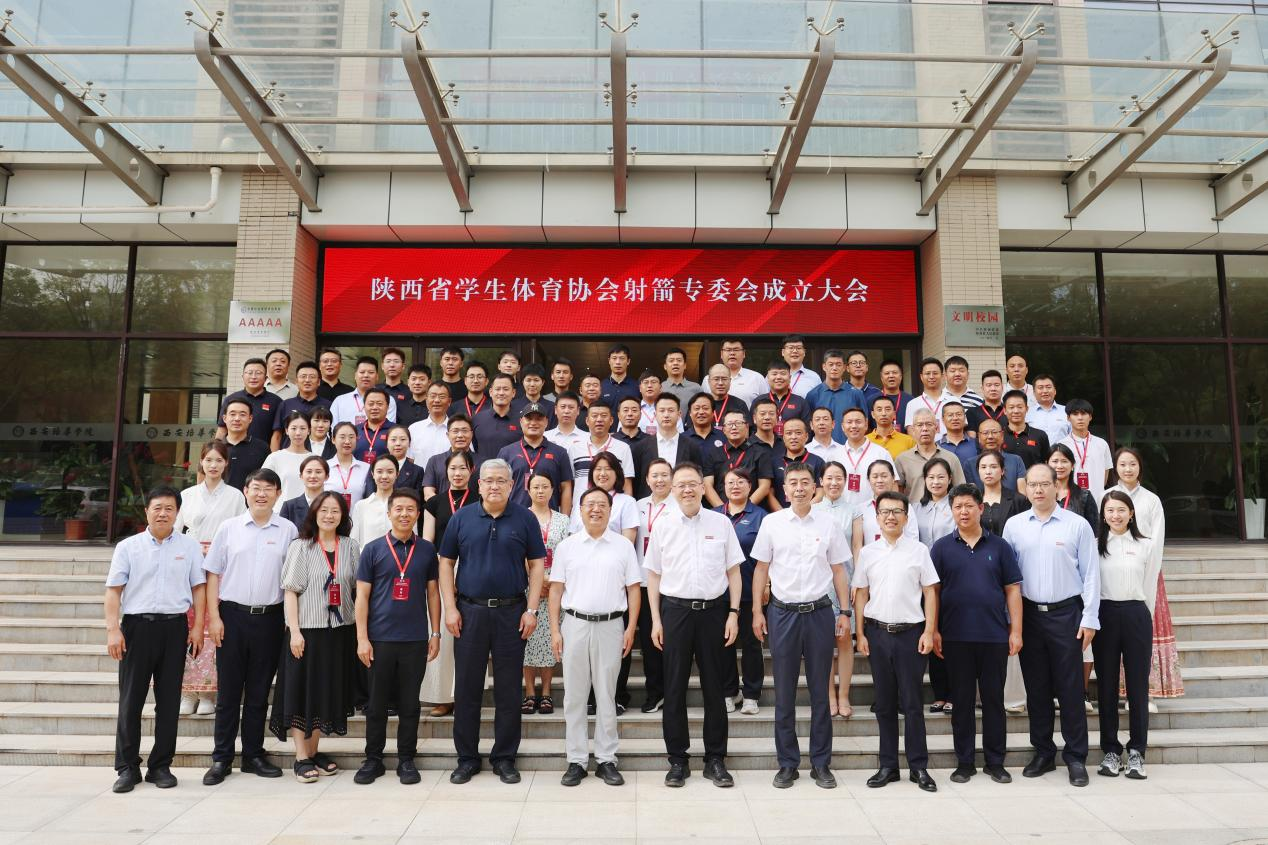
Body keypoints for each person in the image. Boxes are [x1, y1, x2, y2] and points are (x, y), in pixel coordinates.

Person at [439, 459, 548, 785]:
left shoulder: (525, 518)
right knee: (467, 688)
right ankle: (467, 758)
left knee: (509, 690)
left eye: (501, 480)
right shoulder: (461, 518)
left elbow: (537, 565)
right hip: (469, 612)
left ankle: (504, 758)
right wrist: (450, 608)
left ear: (512, 485)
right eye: (489, 480)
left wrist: (532, 610)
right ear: (479, 484)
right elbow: (446, 563)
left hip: (512, 613)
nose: (495, 486)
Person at [751, 463, 851, 789]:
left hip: (820, 612)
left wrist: (845, 611)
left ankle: (821, 763)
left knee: (821, 692)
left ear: (814, 487)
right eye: (792, 482)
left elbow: (839, 570)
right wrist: (757, 611)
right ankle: (787, 764)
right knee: (784, 693)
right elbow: (761, 569)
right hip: (783, 614)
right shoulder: (772, 523)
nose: (799, 488)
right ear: (784, 488)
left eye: (805, 482)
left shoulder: (829, 523)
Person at [645, 462, 744, 788]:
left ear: (703, 487)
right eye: (681, 485)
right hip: (675, 613)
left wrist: (733, 613)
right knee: (673, 688)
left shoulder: (721, 522)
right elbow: (654, 576)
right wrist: (656, 620)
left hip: (714, 613)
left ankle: (715, 759)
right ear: (673, 490)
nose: (687, 490)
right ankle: (678, 760)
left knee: (715, 688)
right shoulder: (663, 526)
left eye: (692, 484)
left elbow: (733, 572)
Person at [1002, 463, 1099, 787]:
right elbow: (1008, 579)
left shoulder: (1077, 525)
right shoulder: (1014, 527)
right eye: (1033, 484)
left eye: (1045, 483)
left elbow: (1091, 575)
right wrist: (1011, 621)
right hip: (1029, 615)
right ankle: (1043, 752)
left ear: (1057, 486)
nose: (1039, 490)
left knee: (1071, 689)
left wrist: (1090, 618)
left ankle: (1076, 757)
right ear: (1026, 488)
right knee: (1037, 688)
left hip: (1066, 614)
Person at [106, 486, 207, 793]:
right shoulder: (128, 547)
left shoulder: (189, 547)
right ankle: (127, 767)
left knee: (168, 702)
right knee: (131, 701)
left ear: (177, 513)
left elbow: (198, 588)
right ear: (146, 511)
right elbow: (114, 590)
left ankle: (160, 766)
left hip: (174, 629)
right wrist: (113, 629)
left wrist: (197, 627)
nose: (163, 513)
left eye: (169, 508)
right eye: (157, 508)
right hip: (136, 628)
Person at [201, 468, 299, 785]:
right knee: (229, 692)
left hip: (270, 619)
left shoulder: (288, 530)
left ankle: (253, 755)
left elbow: (292, 580)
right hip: (232, 616)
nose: (261, 494)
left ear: (278, 494)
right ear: (245, 491)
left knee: (258, 692)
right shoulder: (229, 528)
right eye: (256, 488)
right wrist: (214, 617)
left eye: (268, 489)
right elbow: (212, 574)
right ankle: (221, 758)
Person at [930, 483, 1022, 785]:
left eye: (969, 505)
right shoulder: (941, 548)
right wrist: (934, 630)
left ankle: (996, 762)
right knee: (962, 701)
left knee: (994, 700)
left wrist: (1016, 631)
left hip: (994, 636)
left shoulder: (1000, 547)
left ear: (981, 508)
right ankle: (965, 762)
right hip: (955, 637)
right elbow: (933, 593)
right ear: (951, 511)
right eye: (958, 507)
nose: (964, 511)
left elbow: (1012, 590)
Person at [550, 487, 642, 787]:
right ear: (580, 510)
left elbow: (633, 589)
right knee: (575, 696)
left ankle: (606, 759)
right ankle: (576, 760)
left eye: (602, 504)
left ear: (610, 510)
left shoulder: (623, 546)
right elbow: (556, 590)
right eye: (590, 504)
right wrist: (555, 630)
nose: (596, 509)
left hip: (611, 625)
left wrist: (630, 628)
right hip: (574, 625)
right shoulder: (567, 547)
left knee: (606, 694)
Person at [853, 490, 940, 793]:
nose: (891, 517)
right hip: (877, 634)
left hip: (911, 635)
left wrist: (929, 631)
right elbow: (861, 594)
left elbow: (930, 592)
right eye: (885, 512)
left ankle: (919, 767)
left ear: (906, 517)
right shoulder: (868, 553)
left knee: (913, 703)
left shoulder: (919, 551)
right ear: (877, 518)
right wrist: (860, 633)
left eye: (897, 511)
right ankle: (888, 765)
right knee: (885, 704)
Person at [268, 491, 359, 782]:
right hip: (307, 631)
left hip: (340, 632)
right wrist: (294, 631)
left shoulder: (350, 546)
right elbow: (290, 591)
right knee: (301, 692)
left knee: (323, 692)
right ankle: (301, 757)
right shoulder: (302, 546)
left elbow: (357, 588)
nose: (329, 516)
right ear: (314, 514)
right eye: (324, 510)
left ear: (343, 516)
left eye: (335, 511)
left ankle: (314, 750)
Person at [353, 489, 442, 784]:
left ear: (418, 514)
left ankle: (406, 759)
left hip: (414, 639)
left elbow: (433, 594)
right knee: (376, 704)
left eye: (410, 509)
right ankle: (373, 759)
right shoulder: (373, 549)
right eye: (399, 509)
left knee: (410, 703)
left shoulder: (427, 550)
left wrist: (435, 633)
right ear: (389, 513)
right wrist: (362, 638)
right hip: (379, 639)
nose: (404, 514)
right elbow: (362, 597)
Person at [173, 442, 246, 717]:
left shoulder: (236, 496)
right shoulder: (187, 495)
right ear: (201, 463)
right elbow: (176, 531)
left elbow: (240, 533)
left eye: (219, 460)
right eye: (208, 460)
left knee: (213, 628)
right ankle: (187, 691)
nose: (213, 465)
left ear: (226, 464)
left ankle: (208, 693)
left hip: (222, 567)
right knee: (189, 626)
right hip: (191, 565)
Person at [1092, 490, 1159, 780]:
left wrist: (1145, 616)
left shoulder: (1145, 545)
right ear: (1103, 515)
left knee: (1137, 687)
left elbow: (1150, 584)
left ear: (1131, 514)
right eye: (1110, 510)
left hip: (1136, 614)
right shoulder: (1095, 545)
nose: (1116, 515)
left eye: (1121, 510)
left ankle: (1137, 752)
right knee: (1106, 685)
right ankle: (1110, 750)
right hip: (1105, 614)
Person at [1107, 447, 1181, 704]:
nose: (1127, 469)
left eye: (1132, 464)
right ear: (1115, 467)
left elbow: (1157, 540)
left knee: (1143, 637)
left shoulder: (1151, 500)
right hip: (1112, 574)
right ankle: (1119, 691)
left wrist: (1151, 570)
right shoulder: (1106, 496)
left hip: (1145, 571)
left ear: (1140, 467)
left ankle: (1142, 694)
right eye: (1122, 464)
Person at [419, 450, 477, 718]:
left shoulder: (480, 499)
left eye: (463, 468)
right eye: (453, 468)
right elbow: (427, 541)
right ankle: (443, 696)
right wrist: (439, 573)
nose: (457, 473)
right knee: (443, 630)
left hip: (474, 568)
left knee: (471, 635)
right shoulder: (434, 503)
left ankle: (466, 695)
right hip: (442, 566)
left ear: (471, 471)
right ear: (446, 471)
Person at [714, 468, 767, 715]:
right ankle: (729, 692)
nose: (735, 486)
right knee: (723, 644)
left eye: (741, 482)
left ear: (750, 486)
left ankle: (751, 695)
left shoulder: (761, 517)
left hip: (749, 592)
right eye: (730, 482)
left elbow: (768, 558)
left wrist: (767, 586)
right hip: (717, 593)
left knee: (751, 645)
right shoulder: (713, 516)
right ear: (723, 487)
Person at [813, 462, 863, 717]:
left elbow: (857, 546)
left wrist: (858, 580)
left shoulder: (854, 510)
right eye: (829, 478)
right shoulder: (813, 510)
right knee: (823, 643)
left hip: (846, 580)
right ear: (820, 481)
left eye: (839, 478)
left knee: (844, 640)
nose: (834, 483)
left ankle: (843, 695)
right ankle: (829, 696)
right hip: (819, 582)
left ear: (846, 481)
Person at [522, 473, 570, 715]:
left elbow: (568, 553)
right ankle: (530, 692)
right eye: (536, 487)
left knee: (550, 637)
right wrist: (536, 580)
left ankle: (547, 691)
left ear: (553, 490)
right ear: (528, 490)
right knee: (528, 640)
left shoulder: (563, 520)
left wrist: (552, 581)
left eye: (545, 486)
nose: (540, 491)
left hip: (555, 586)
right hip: (526, 585)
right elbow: (517, 551)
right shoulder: (520, 516)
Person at [913, 458, 956, 714]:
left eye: (941, 477)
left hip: (950, 577)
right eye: (931, 477)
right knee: (931, 631)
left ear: (950, 479)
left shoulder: (956, 505)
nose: (936, 482)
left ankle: (954, 692)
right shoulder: (916, 509)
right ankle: (940, 693)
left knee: (950, 635)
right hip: (922, 581)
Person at [634, 459, 676, 713]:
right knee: (650, 643)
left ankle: (672, 693)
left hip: (670, 583)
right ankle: (655, 692)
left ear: (672, 478)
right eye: (655, 475)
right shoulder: (637, 506)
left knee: (670, 641)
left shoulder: (679, 506)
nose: (659, 480)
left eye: (664, 475)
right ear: (647, 479)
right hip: (640, 581)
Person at [498, 402, 572, 513]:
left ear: (546, 422)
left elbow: (566, 487)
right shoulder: (506, 452)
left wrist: (564, 518)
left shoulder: (559, 452)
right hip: (515, 516)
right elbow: (499, 485)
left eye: (538, 419)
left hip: (549, 518)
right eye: (529, 419)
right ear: (521, 421)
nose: (533, 423)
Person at [631, 393, 702, 499]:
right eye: (662, 410)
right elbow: (636, 482)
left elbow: (697, 478)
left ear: (679, 414)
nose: (666, 415)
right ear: (655, 414)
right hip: (650, 504)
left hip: (681, 503)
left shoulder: (692, 446)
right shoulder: (640, 447)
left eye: (671, 410)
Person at [568, 400, 635, 508]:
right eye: (594, 416)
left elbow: (627, 484)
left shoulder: (623, 448)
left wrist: (627, 509)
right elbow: (569, 485)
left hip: (613, 510)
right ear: (587, 421)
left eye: (604, 416)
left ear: (611, 420)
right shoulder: (575, 449)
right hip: (581, 510)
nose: (599, 419)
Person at [703, 409, 773, 508]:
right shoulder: (713, 453)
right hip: (721, 511)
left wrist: (744, 509)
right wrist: (722, 511)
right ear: (724, 429)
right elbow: (707, 485)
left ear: (747, 427)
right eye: (729, 424)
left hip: (751, 511)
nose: (734, 427)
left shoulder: (760, 452)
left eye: (738, 423)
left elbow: (764, 486)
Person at [894, 409, 966, 502]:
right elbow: (898, 494)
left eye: (929, 424)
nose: (924, 429)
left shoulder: (951, 458)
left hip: (945, 510)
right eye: (920, 425)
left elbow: (961, 491)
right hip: (914, 510)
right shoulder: (902, 459)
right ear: (913, 429)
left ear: (936, 428)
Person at [838, 407, 895, 510]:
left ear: (866, 424)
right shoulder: (835, 455)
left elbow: (893, 485)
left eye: (858, 422)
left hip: (874, 512)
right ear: (842, 426)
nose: (854, 426)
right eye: (849, 422)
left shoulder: (881, 453)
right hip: (842, 513)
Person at [1059, 399, 1113, 505]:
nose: (1080, 418)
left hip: (1098, 500)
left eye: (1083, 413)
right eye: (1075, 414)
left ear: (1090, 417)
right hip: (1070, 501)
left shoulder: (1102, 444)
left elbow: (1105, 474)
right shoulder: (1061, 445)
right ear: (1068, 418)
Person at [805, 349, 865, 444]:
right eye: (831, 364)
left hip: (848, 448)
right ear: (824, 366)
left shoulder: (856, 394)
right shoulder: (813, 395)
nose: (834, 368)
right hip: (820, 448)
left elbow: (864, 423)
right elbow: (808, 427)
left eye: (838, 364)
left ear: (844, 367)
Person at [217, 358, 281, 443]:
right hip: (233, 449)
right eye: (249, 373)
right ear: (243, 377)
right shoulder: (230, 399)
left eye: (258, 373)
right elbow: (222, 429)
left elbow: (277, 435)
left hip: (264, 450)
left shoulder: (276, 401)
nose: (253, 377)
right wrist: (216, 448)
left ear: (266, 378)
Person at [768, 417, 824, 511]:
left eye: (798, 433)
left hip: (809, 514)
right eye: (789, 433)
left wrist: (803, 511)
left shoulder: (818, 461)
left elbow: (820, 493)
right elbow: (769, 494)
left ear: (806, 436)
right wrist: (783, 515)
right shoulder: (774, 462)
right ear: (783, 437)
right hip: (780, 515)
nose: (793, 437)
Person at [271, 361, 331, 450]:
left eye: (312, 377)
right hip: (290, 455)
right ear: (296, 381)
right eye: (303, 376)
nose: (307, 380)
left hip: (319, 455)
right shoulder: (286, 404)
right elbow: (277, 436)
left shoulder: (328, 405)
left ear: (318, 382)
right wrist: (275, 456)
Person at [262, 412, 313, 508]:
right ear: (286, 431)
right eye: (293, 428)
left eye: (302, 428)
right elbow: (263, 485)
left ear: (309, 431)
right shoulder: (275, 457)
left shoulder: (315, 459)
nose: (298, 433)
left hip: (309, 511)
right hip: (280, 511)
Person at [331, 356, 398, 427]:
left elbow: (389, 428)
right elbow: (333, 429)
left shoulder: (388, 400)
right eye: (362, 372)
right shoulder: (340, 401)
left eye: (371, 372)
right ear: (355, 375)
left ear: (377, 376)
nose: (366, 375)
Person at [350, 454, 401, 548]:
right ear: (373, 474)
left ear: (397, 474)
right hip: (368, 557)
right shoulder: (361, 506)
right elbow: (354, 541)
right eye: (379, 472)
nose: (384, 476)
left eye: (390, 472)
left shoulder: (403, 506)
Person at [220, 398, 271, 490]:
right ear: (224, 418)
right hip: (219, 499)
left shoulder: (262, 448)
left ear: (250, 418)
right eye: (232, 414)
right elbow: (203, 478)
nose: (237, 419)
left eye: (242, 414)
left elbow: (268, 480)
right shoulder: (215, 447)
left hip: (250, 499)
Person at [422, 414, 476, 499]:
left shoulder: (483, 462)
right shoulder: (435, 461)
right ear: (448, 435)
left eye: (464, 431)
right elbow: (428, 493)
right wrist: (443, 505)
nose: (460, 435)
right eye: (455, 431)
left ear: (472, 434)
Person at [976, 450, 1027, 536]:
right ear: (978, 471)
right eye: (983, 467)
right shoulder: (973, 500)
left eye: (993, 467)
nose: (988, 472)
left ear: (1002, 470)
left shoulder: (1018, 500)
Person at [361, 425, 423, 497]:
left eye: (403, 439)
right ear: (386, 443)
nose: (398, 443)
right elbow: (369, 494)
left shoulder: (417, 471)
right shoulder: (375, 466)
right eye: (393, 440)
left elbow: (418, 498)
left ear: (409, 443)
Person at [474, 373, 522, 464]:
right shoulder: (478, 419)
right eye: (497, 389)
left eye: (506, 389)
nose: (501, 393)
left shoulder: (522, 420)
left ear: (513, 393)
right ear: (491, 392)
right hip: (484, 471)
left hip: (513, 471)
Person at [1048, 444, 1099, 528]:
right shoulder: (1040, 493)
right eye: (1055, 461)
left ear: (1072, 465)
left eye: (1064, 461)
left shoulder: (1084, 495)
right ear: (1047, 464)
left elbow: (1094, 529)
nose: (1059, 466)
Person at [759, 359, 813, 437]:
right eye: (774, 374)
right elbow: (753, 430)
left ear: (790, 378)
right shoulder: (759, 401)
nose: (778, 377)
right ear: (767, 378)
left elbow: (808, 431)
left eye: (783, 373)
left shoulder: (801, 402)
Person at [970, 418, 1027, 491]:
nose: (990, 437)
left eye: (994, 432)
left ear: (1002, 435)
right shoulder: (970, 463)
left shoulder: (1016, 460)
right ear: (979, 437)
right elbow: (971, 494)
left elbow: (1022, 492)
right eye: (985, 433)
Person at [1000, 390, 1051, 469]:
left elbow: (1047, 463)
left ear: (1027, 409)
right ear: (1005, 410)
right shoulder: (999, 436)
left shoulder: (1040, 435)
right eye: (1011, 407)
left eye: (1020, 407)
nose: (1016, 411)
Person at [325, 422, 370, 510]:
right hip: (329, 517)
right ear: (333, 440)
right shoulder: (324, 467)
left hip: (357, 517)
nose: (347, 441)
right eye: (342, 437)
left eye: (351, 437)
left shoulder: (366, 468)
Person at [407, 382, 452, 468]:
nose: (437, 400)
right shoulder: (413, 429)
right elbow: (409, 460)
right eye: (433, 396)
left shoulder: (457, 430)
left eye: (442, 397)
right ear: (426, 400)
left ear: (449, 401)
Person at [281, 455, 329, 531]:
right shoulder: (289, 507)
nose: (313, 476)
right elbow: (283, 534)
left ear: (327, 476)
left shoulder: (335, 504)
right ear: (301, 476)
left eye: (318, 472)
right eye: (309, 472)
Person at [904, 358, 948, 435]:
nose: (931, 377)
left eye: (935, 373)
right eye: (927, 373)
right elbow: (911, 431)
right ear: (921, 377)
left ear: (942, 376)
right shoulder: (912, 404)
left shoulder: (953, 401)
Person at [719, 338, 769, 405]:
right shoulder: (709, 379)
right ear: (721, 354)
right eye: (728, 350)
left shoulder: (757, 378)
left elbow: (766, 406)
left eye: (736, 350)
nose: (732, 353)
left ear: (744, 353)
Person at [866, 395, 915, 459]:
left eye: (888, 409)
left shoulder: (909, 441)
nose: (883, 413)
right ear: (873, 414)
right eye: (879, 410)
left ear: (894, 414)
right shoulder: (865, 441)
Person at [352, 388, 393, 464]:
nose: (374, 407)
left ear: (387, 407)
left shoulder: (395, 431)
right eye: (371, 404)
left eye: (379, 404)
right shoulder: (354, 431)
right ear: (364, 407)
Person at [1027, 375, 1071, 444]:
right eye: (1040, 387)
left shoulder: (1067, 411)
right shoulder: (1027, 413)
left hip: (1062, 450)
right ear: (1034, 393)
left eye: (1048, 387)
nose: (1045, 391)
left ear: (1055, 391)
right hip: (1035, 451)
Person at [937, 402, 978, 472]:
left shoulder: (977, 444)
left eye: (959, 414)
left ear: (965, 418)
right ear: (943, 419)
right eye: (950, 415)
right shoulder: (936, 446)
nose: (955, 418)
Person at [876, 359, 914, 433]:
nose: (891, 376)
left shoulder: (911, 400)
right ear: (881, 378)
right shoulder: (872, 400)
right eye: (887, 373)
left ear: (901, 376)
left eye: (895, 372)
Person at [661, 347, 703, 411]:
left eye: (679, 360)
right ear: (665, 366)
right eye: (671, 361)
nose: (675, 363)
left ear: (685, 365)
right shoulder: (659, 388)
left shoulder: (696, 388)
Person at [396, 363, 435, 427]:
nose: (417, 383)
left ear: (429, 382)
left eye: (422, 379)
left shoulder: (434, 406)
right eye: (414, 379)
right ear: (408, 382)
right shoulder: (400, 406)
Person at [636, 370, 664, 435]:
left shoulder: (670, 409)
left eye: (653, 382)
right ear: (640, 388)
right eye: (646, 382)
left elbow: (679, 435)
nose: (649, 385)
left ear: (660, 388)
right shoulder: (631, 409)